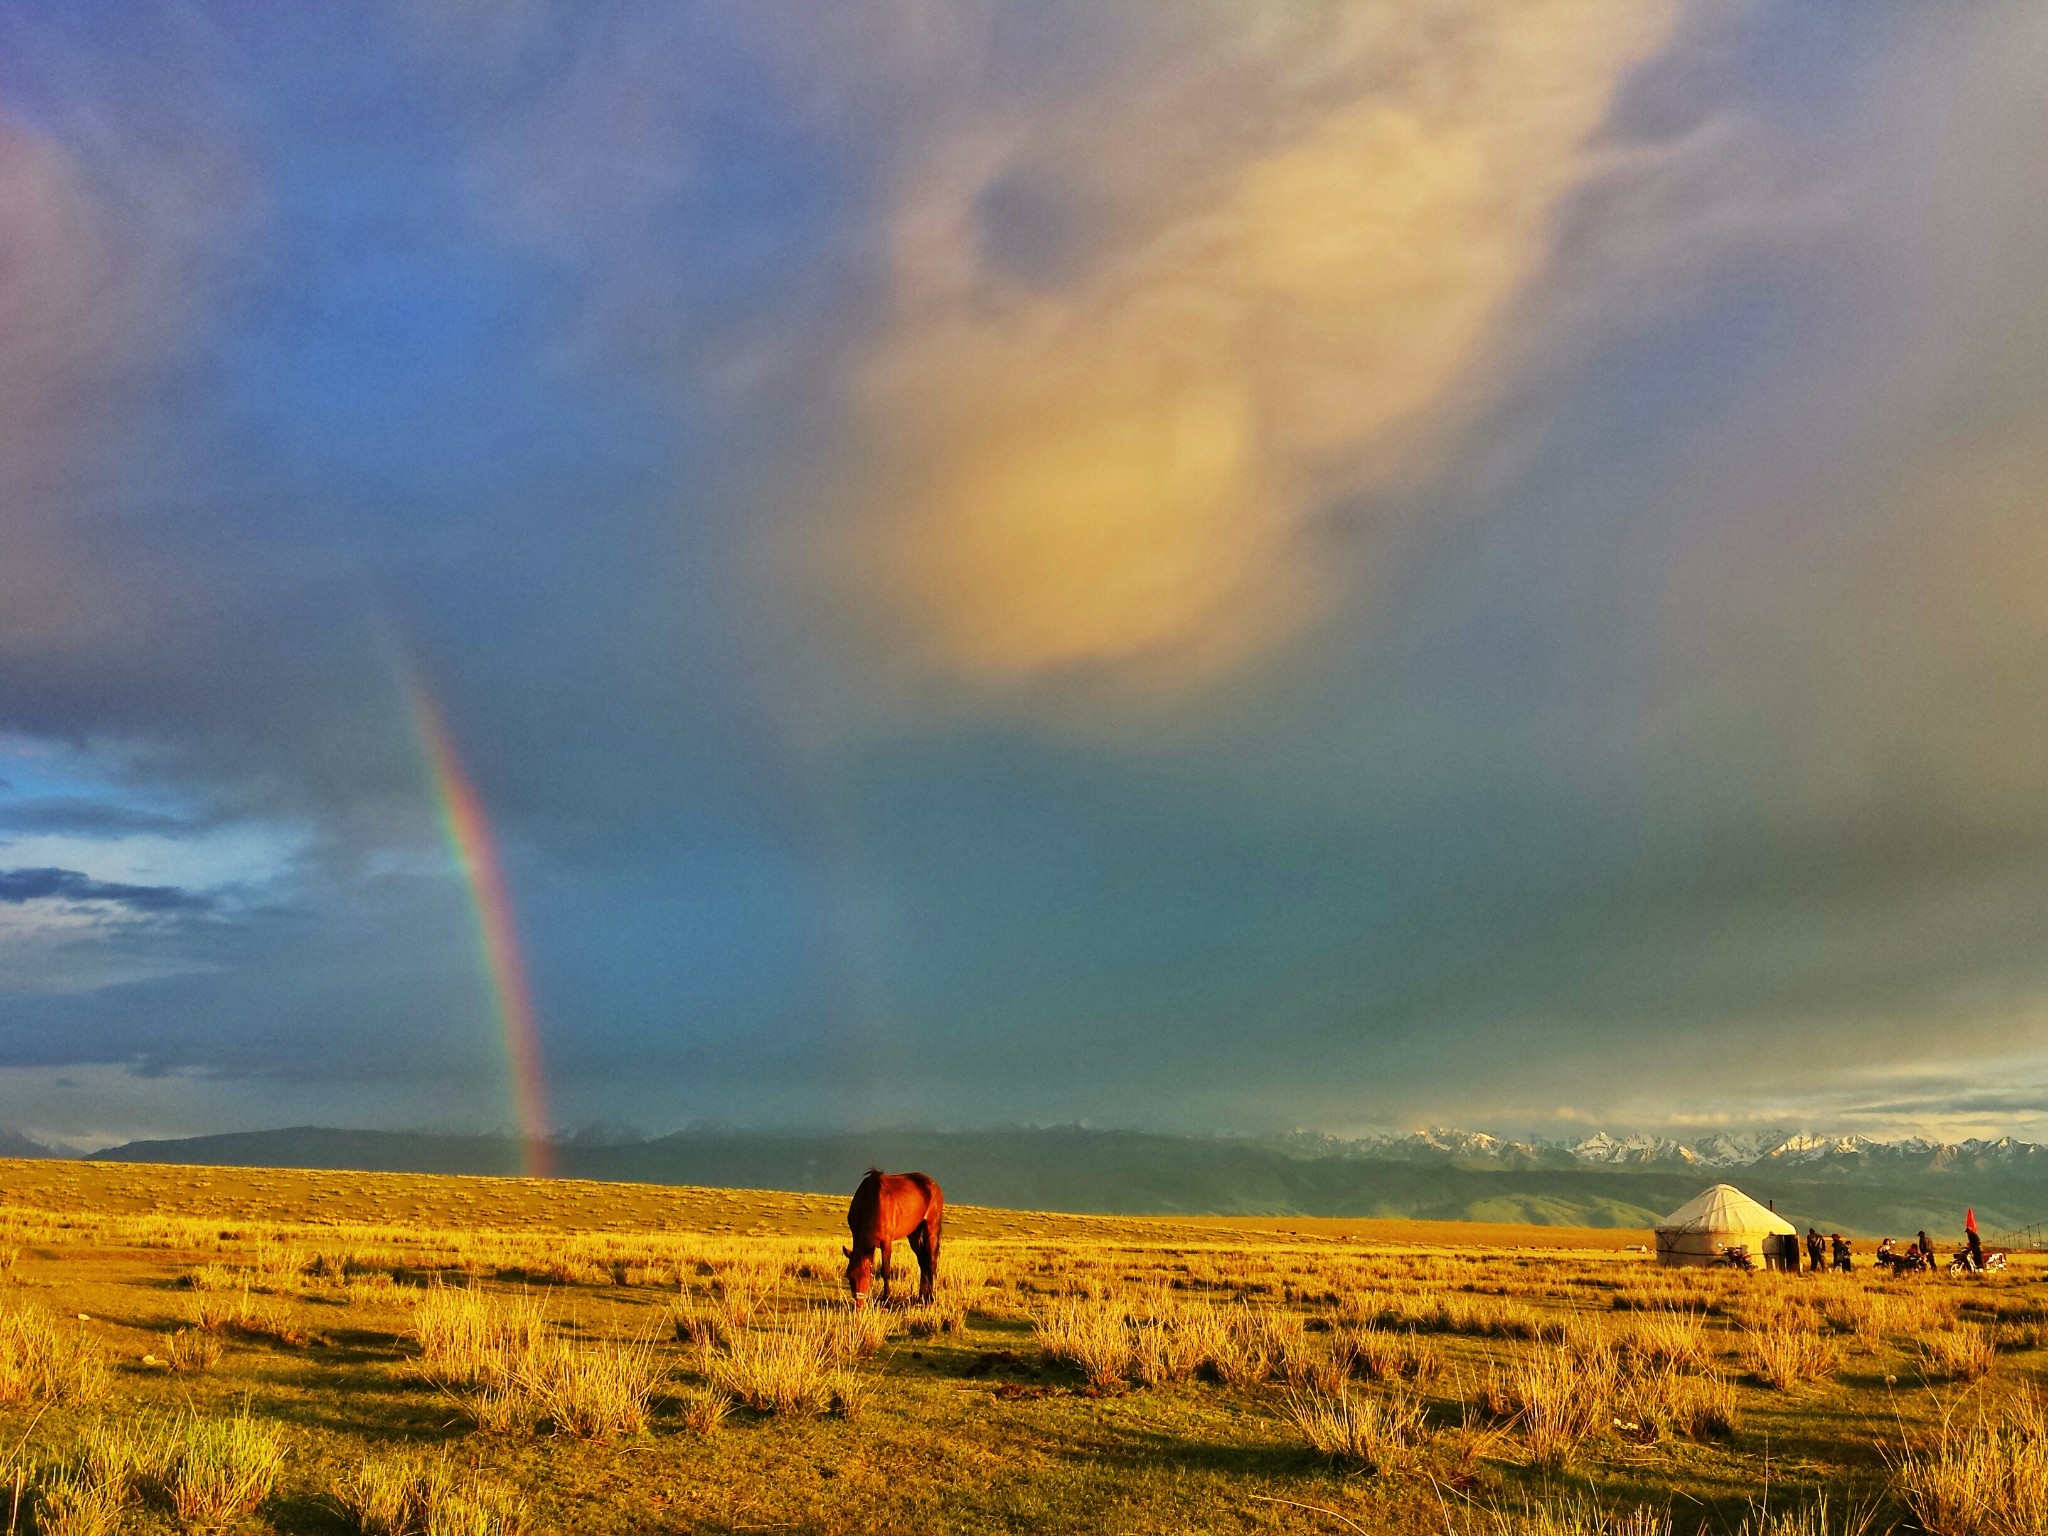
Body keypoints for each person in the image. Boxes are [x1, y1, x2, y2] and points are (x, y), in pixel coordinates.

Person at [1966, 1208, 1984, 1272]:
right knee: (1975, 1258)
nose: (1967, 1233)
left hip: (1977, 1248)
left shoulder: (1973, 1235)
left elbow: (1977, 1241)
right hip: (1974, 1248)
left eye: (1968, 1232)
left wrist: (1973, 1246)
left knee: (1979, 1259)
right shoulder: (1970, 1235)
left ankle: (1981, 1269)